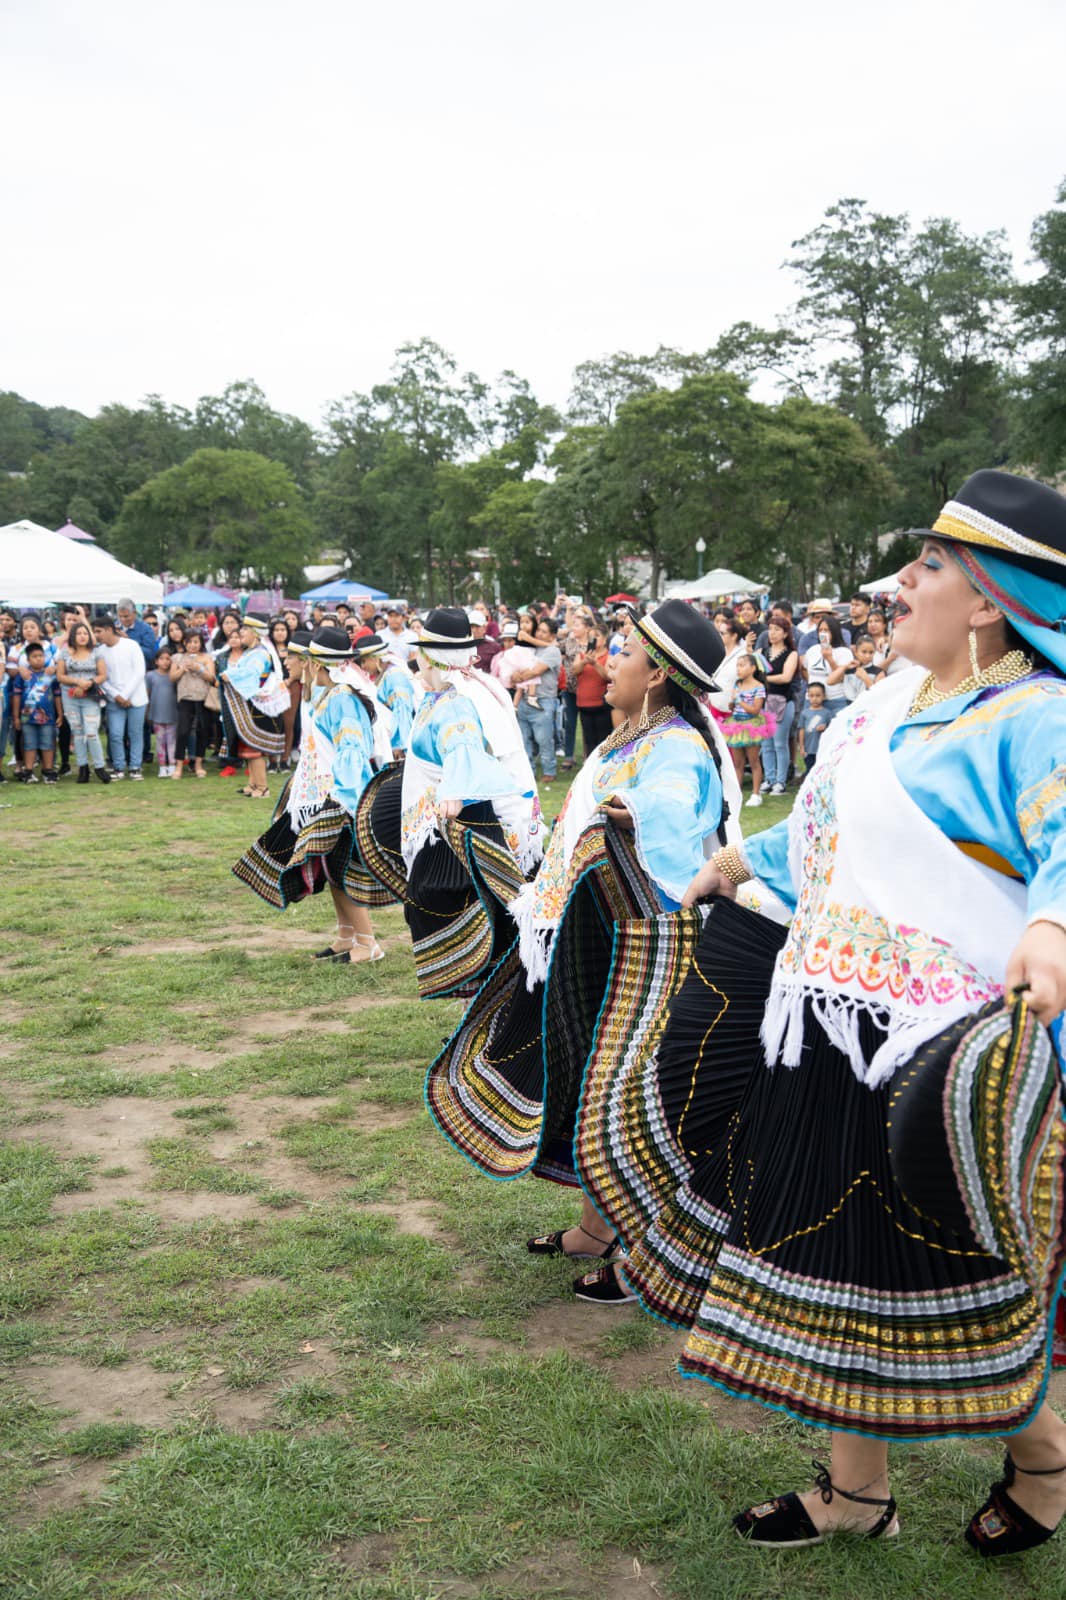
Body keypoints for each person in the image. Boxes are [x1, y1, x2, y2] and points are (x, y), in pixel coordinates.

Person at [575, 468, 1066, 1558]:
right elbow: (823, 836)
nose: (900, 580)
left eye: (929, 564)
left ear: (988, 598)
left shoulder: (1038, 718)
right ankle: (856, 1493)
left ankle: (1043, 1458)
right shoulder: (885, 703)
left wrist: (1056, 927)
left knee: (948, 1283)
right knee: (831, 1271)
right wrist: (734, 859)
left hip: (934, 1072)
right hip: (822, 1029)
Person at [426, 600, 743, 1262]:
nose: (610, 662)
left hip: (649, 947)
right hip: (603, 937)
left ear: (657, 675)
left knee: (630, 1092)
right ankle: (596, 1230)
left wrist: (630, 809)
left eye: (624, 654)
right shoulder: (629, 735)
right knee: (599, 1079)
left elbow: (677, 805)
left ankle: (643, 1248)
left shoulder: (678, 746)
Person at [355, 607, 543, 1000]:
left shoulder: (458, 699)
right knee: (462, 909)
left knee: (459, 907)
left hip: (462, 823)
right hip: (451, 819)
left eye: (423, 650)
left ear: (436, 656)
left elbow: (463, 745)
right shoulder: (452, 691)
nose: (417, 658)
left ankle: (488, 1008)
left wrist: (455, 791)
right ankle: (481, 1009)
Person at [233, 628, 386, 962]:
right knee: (329, 867)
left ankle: (369, 944)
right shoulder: (328, 696)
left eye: (294, 657)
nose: (289, 661)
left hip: (339, 798)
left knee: (342, 868)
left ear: (315, 664)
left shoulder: (343, 699)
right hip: (321, 796)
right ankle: (348, 935)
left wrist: (344, 798)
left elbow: (352, 751)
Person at [219, 614, 288, 799]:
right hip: (251, 705)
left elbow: (251, 674)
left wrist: (231, 675)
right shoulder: (252, 651)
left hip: (257, 706)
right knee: (247, 746)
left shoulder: (260, 653)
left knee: (255, 749)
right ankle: (253, 784)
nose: (242, 633)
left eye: (246, 630)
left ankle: (263, 787)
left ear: (255, 633)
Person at [54, 620, 110, 784]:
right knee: (77, 732)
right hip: (70, 696)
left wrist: (89, 683)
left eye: (85, 633)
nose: (82, 636)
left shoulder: (96, 653)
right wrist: (77, 682)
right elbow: (60, 676)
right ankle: (83, 768)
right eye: (79, 633)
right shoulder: (65, 653)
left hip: (90, 696)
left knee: (92, 732)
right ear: (73, 636)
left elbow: (102, 675)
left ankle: (99, 767)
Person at [96, 615, 148, 779]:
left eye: (99, 631)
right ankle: (118, 766)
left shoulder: (131, 645)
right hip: (114, 699)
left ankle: (135, 767)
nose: (96, 635)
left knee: (135, 733)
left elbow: (140, 671)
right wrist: (116, 695)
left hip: (136, 696)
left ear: (109, 630)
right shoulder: (99, 651)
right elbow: (101, 677)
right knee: (116, 734)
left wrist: (125, 694)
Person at [511, 616, 562, 784]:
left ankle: (549, 771)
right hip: (525, 699)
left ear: (552, 635)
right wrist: (515, 676)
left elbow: (534, 671)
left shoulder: (552, 651)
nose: (539, 634)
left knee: (543, 739)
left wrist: (519, 677)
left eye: (544, 632)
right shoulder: (533, 648)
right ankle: (528, 772)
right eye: (538, 630)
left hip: (544, 701)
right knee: (524, 739)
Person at [719, 652, 774, 806]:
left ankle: (756, 794)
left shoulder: (759, 687)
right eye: (737, 665)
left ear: (753, 668)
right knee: (737, 763)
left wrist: (739, 700)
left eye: (742, 665)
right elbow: (733, 705)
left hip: (751, 726)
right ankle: (737, 793)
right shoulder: (737, 685)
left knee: (754, 761)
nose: (739, 669)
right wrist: (732, 702)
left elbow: (755, 709)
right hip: (736, 724)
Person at [350, 635, 416, 755]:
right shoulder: (383, 675)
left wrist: (400, 745)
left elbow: (402, 713)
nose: (363, 666)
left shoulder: (395, 677)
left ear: (376, 658)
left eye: (364, 661)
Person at [13, 640, 62, 783]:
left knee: (48, 743)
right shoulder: (23, 675)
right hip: (27, 717)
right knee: (29, 743)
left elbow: (57, 695)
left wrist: (60, 713)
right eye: (34, 656)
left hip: (48, 717)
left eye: (41, 655)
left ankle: (48, 770)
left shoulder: (50, 675)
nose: (38, 658)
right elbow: (16, 696)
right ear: (28, 659)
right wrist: (16, 717)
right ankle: (28, 770)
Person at [170, 631, 215, 779]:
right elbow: (172, 677)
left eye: (196, 642)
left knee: (202, 731)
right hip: (185, 698)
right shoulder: (177, 657)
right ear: (184, 643)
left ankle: (198, 765)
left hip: (203, 699)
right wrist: (183, 669)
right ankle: (179, 766)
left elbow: (211, 677)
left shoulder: (207, 658)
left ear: (201, 643)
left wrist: (198, 668)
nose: (193, 645)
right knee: (183, 732)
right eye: (189, 642)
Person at [761, 615, 799, 794]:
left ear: (785, 634)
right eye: (771, 628)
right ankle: (769, 778)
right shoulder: (762, 652)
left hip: (783, 702)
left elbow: (786, 677)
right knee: (766, 744)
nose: (773, 633)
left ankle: (780, 781)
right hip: (764, 702)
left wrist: (764, 678)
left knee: (780, 743)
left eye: (777, 629)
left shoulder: (791, 654)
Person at [572, 623, 612, 757]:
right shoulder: (582, 655)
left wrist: (595, 663)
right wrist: (585, 662)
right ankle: (589, 764)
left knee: (602, 739)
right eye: (591, 637)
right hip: (583, 704)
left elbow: (608, 676)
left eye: (597, 636)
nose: (593, 639)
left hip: (601, 705)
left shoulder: (609, 656)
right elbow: (574, 671)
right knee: (588, 739)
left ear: (605, 639)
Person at [802, 612, 852, 715]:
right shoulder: (813, 650)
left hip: (834, 700)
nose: (823, 633)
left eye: (827, 630)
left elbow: (842, 677)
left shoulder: (844, 652)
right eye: (820, 630)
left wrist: (829, 658)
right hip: (812, 701)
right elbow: (804, 669)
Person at [145, 644, 179, 777]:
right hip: (157, 713)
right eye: (162, 658)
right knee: (160, 740)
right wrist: (147, 712)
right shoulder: (150, 676)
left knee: (171, 741)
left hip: (172, 713)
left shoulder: (174, 676)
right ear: (156, 661)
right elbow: (147, 694)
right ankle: (162, 766)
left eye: (168, 658)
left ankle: (172, 765)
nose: (165, 661)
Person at [116, 599, 158, 669]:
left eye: (126, 616)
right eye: (120, 616)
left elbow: (150, 654)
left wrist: (129, 642)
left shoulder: (146, 629)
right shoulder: (114, 628)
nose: (123, 619)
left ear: (134, 613)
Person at [798, 681, 830, 769]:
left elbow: (832, 730)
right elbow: (801, 730)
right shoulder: (804, 713)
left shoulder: (827, 713)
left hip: (822, 749)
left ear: (823, 696)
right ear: (808, 696)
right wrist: (801, 747)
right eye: (811, 696)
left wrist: (825, 728)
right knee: (809, 769)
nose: (815, 698)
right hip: (808, 749)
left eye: (818, 695)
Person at [842, 635, 884, 700]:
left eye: (871, 652)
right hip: (848, 705)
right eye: (864, 652)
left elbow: (879, 695)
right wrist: (845, 667)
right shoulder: (849, 669)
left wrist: (865, 678)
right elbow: (830, 681)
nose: (867, 656)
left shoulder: (879, 672)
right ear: (856, 651)